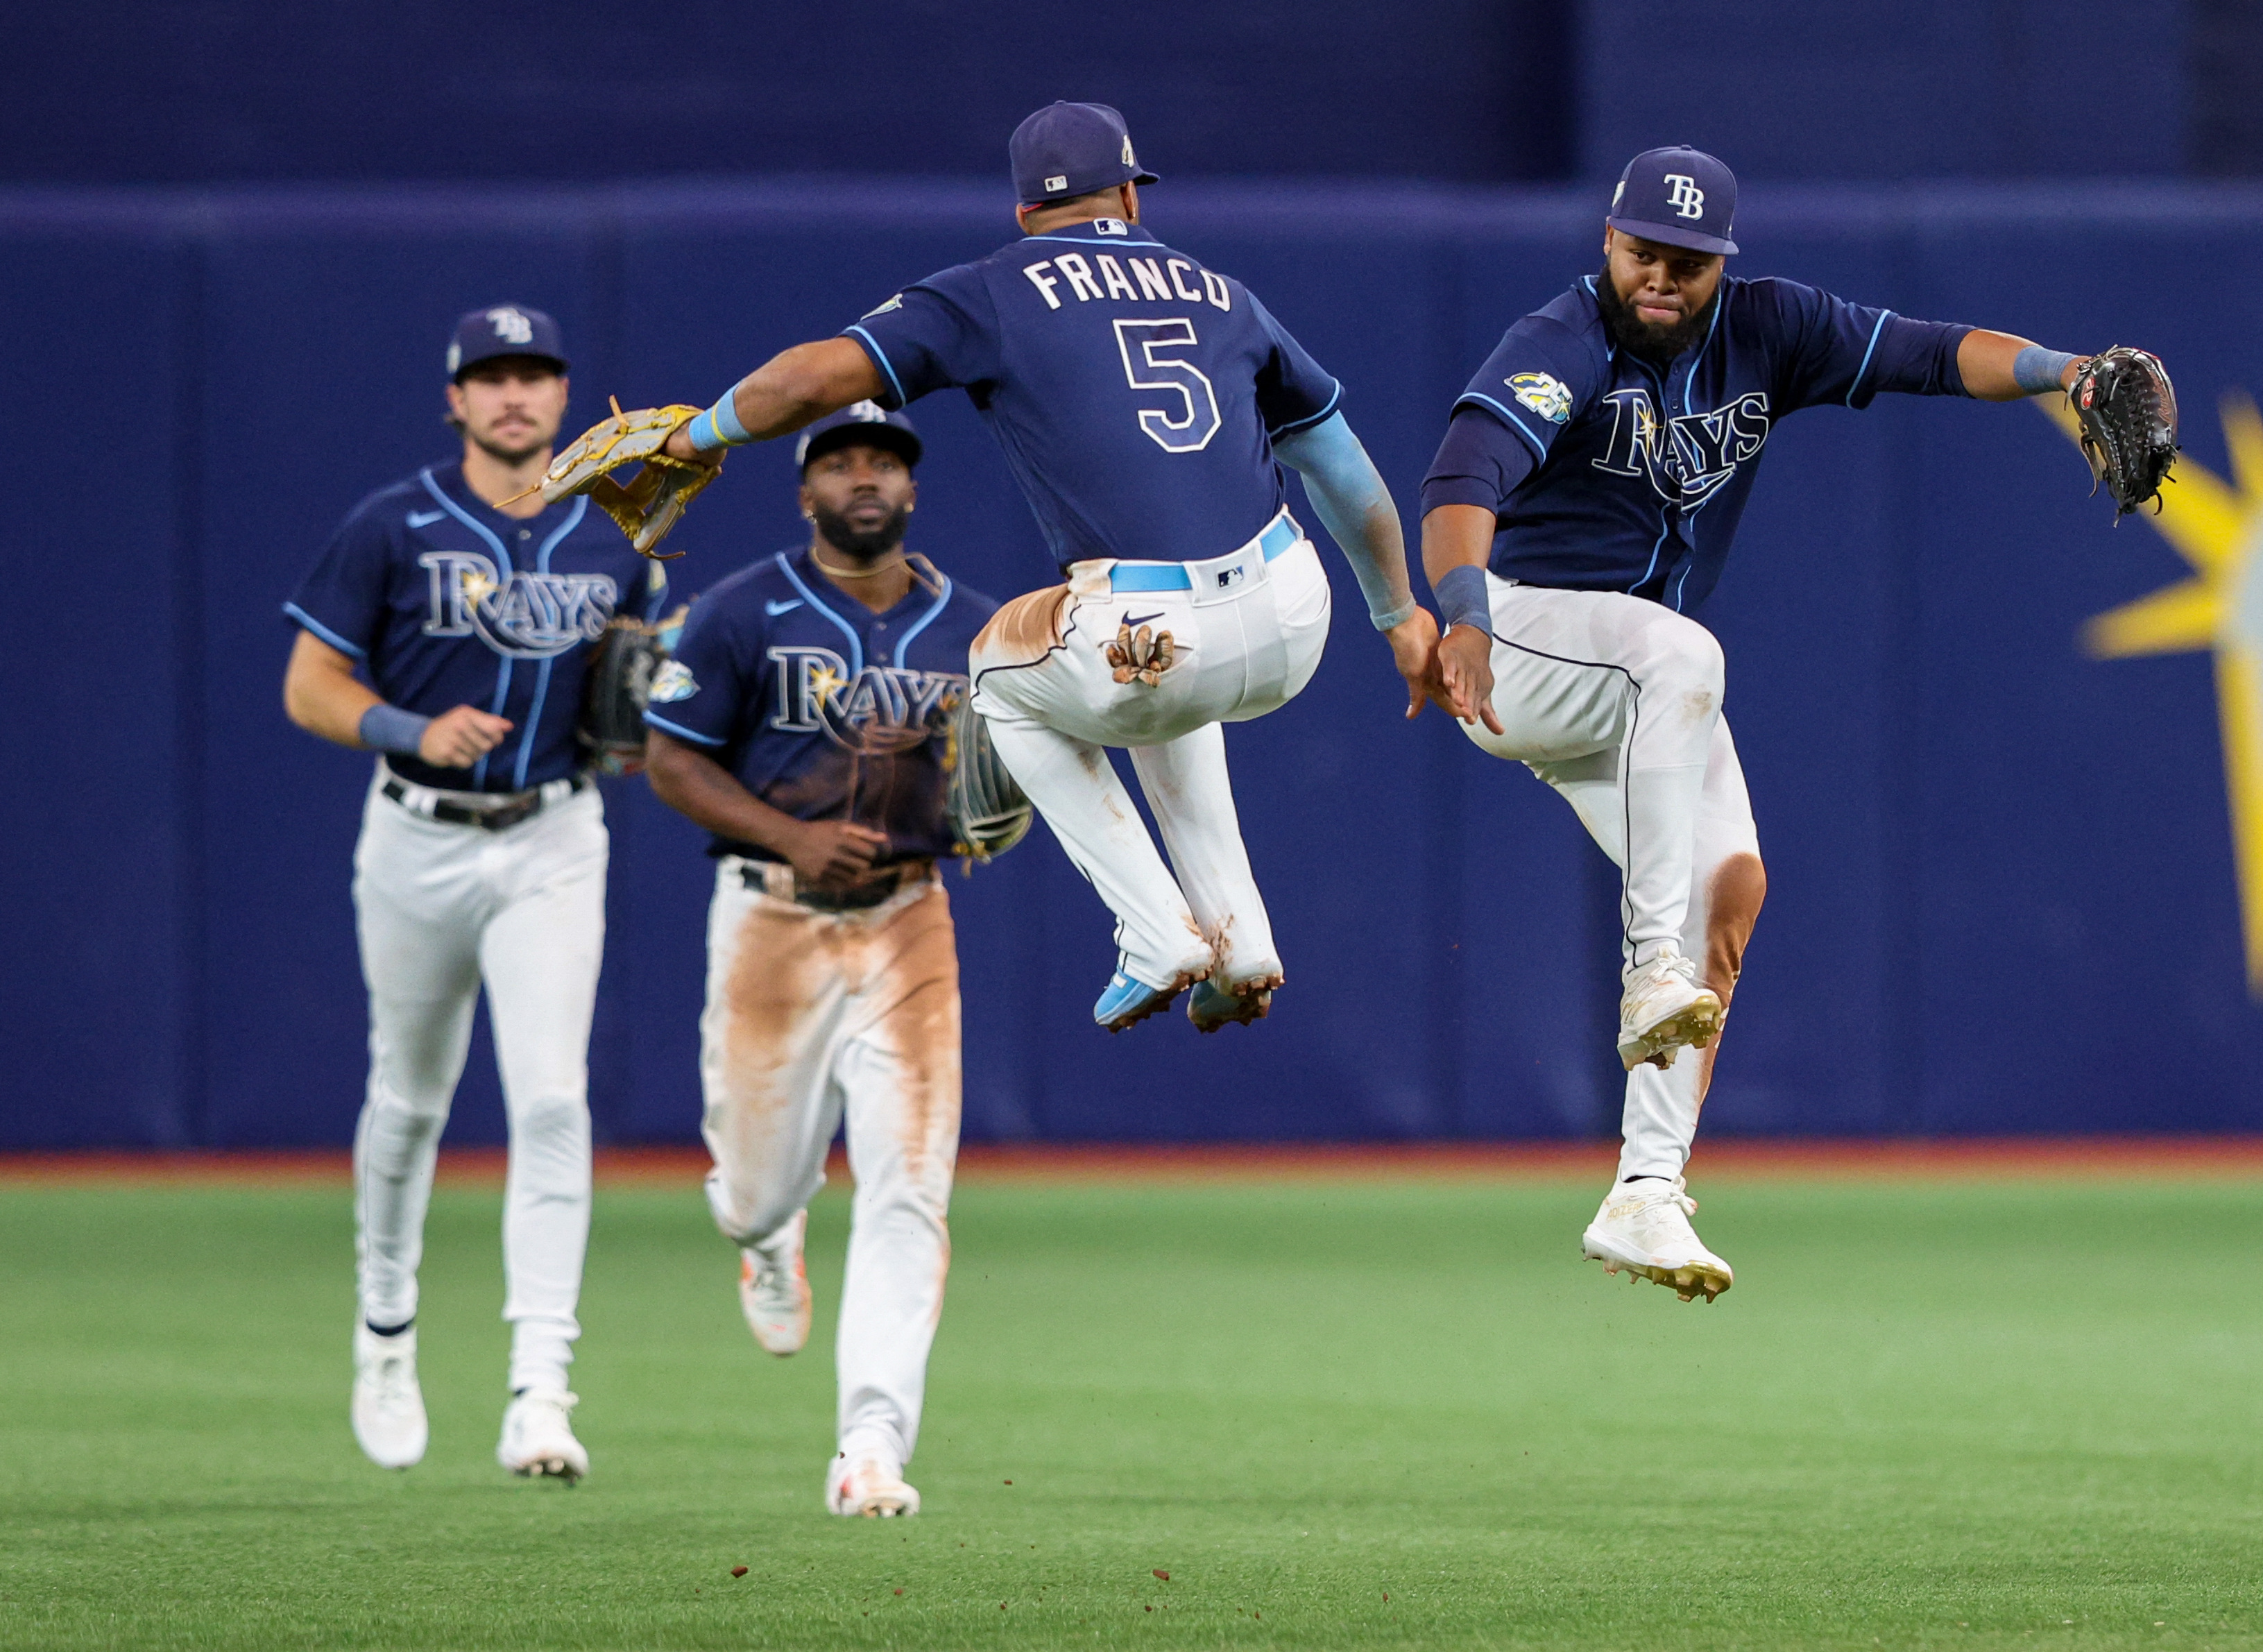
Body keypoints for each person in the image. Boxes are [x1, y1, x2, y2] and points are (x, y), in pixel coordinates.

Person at [1418, 147, 2155, 1302]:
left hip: (1630, 685)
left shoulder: (1772, 329)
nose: (1661, 277)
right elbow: (1463, 480)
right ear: (1607, 245)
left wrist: (2062, 371)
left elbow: (1926, 352)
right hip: (1517, 642)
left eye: (1688, 261)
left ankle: (1645, 1192)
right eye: (1641, 253)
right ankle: (1646, 967)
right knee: (1687, 653)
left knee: (1733, 887)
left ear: (1723, 264)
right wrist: (1460, 614)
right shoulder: (1560, 342)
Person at [651, 100, 1440, 1034]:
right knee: (1161, 691)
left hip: (1149, 631)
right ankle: (1242, 935)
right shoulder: (1223, 293)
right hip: (1291, 611)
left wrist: (697, 436)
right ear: (1132, 199)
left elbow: (810, 384)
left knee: (998, 672)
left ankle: (1155, 934)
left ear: (1024, 213)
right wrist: (1399, 616)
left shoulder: (993, 287)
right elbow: (1350, 481)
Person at [281, 304, 667, 1479]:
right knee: (407, 1100)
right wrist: (410, 724)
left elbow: (634, 708)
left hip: (553, 836)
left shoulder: (617, 540)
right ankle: (386, 1332)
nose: (514, 395)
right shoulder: (391, 524)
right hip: (416, 839)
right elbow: (309, 685)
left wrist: (651, 705)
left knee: (551, 1101)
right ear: (455, 399)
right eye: (490, 377)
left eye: (535, 375)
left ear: (562, 397)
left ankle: (540, 1389)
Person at [640, 405, 996, 1519]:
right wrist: (789, 833)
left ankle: (871, 1445)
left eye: (882, 460)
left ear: (912, 487)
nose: (863, 477)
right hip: (772, 916)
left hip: (908, 919)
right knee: (753, 1186)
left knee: (909, 1190)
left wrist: (1001, 804)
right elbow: (668, 757)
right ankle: (767, 1233)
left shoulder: (975, 628)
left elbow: (1021, 768)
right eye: (839, 461)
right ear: (804, 490)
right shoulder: (742, 610)